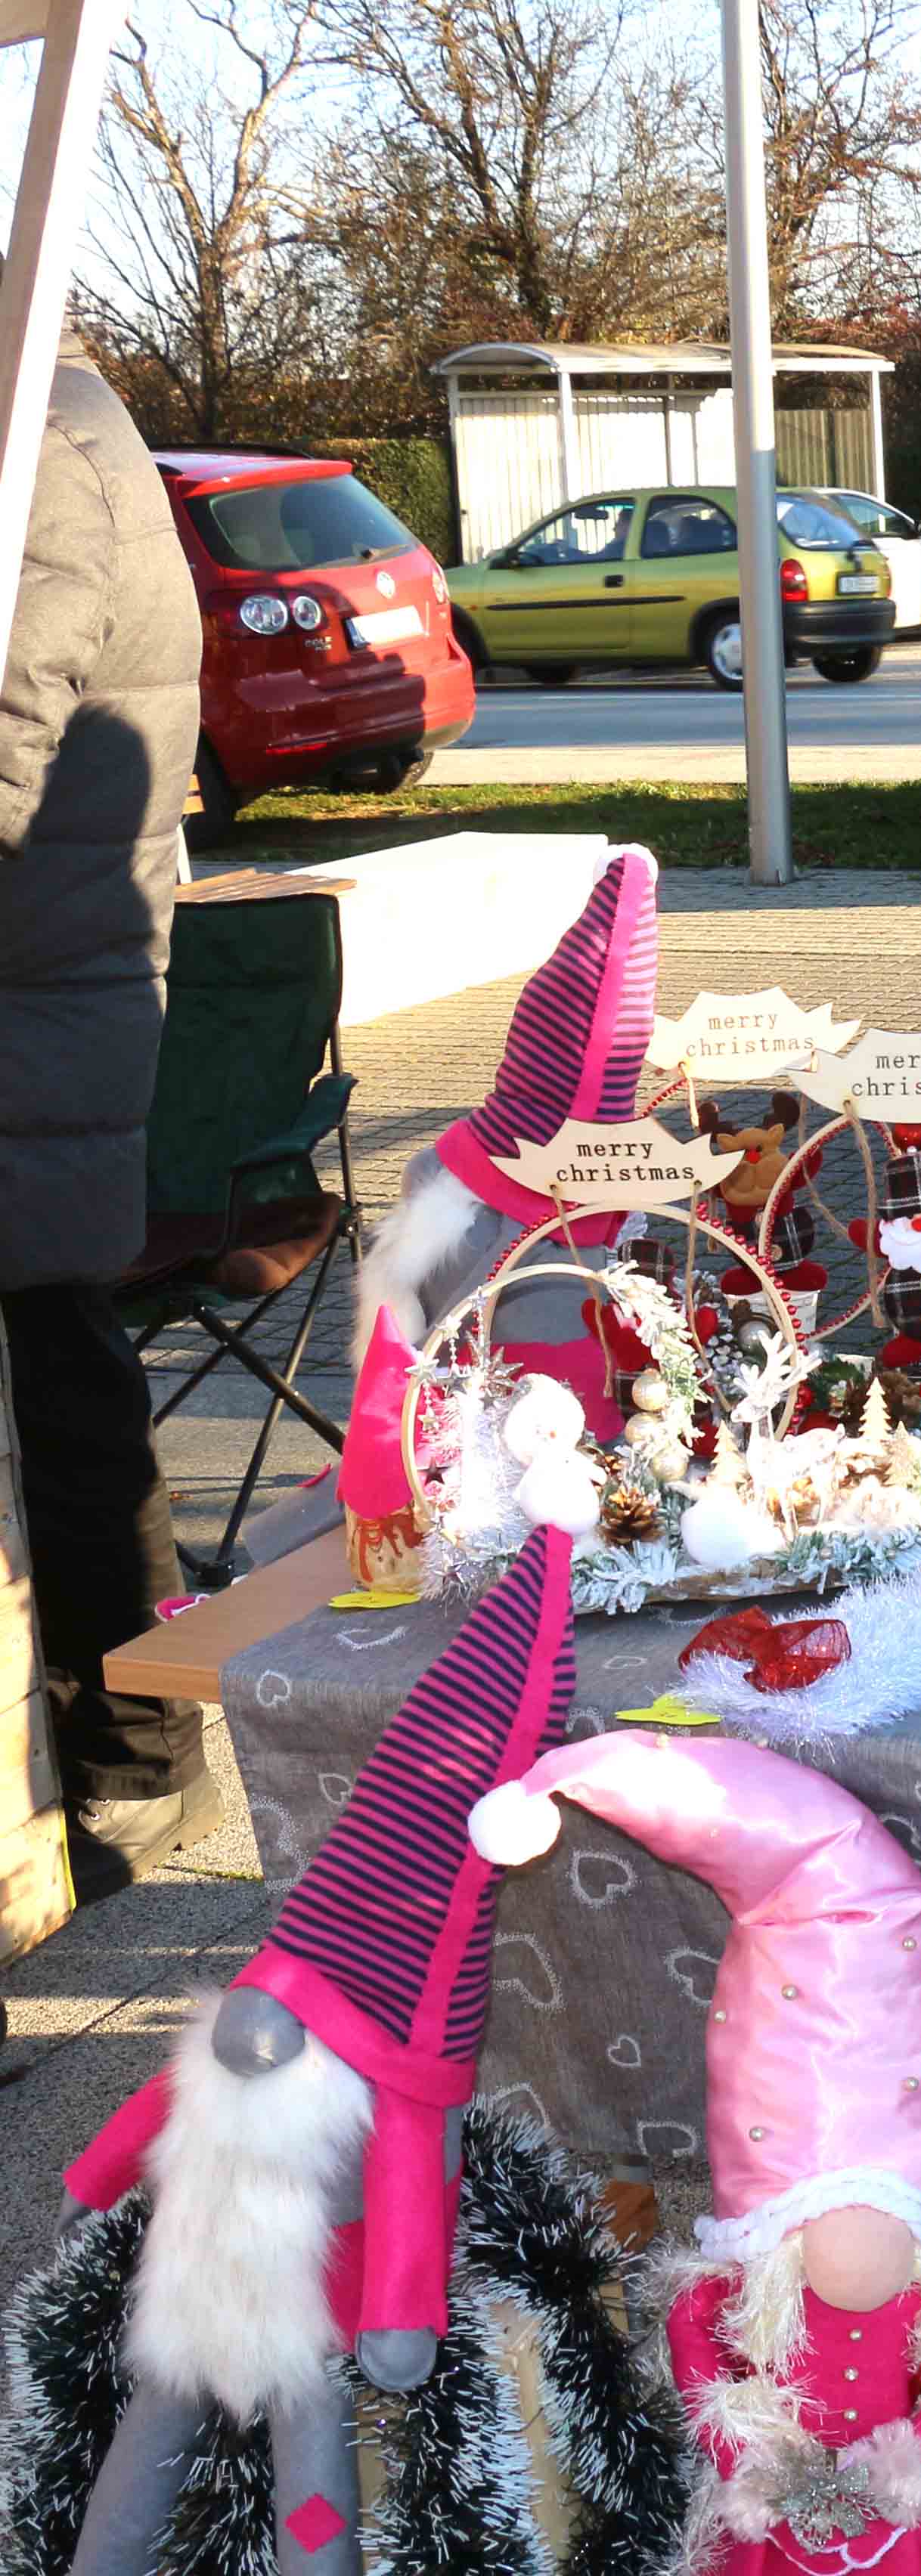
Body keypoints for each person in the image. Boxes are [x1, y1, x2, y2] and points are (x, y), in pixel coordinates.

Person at [0, 335, 209, 1899]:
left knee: (63, 1405)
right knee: (69, 1391)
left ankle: (124, 1779)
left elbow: (4, 731)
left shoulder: (35, 442)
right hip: (53, 996)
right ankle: (128, 1771)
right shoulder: (59, 413)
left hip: (35, 1007)